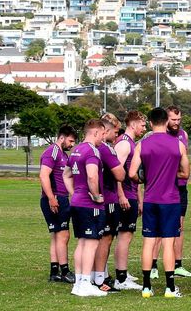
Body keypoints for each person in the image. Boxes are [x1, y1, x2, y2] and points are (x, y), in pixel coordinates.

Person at [128, 107, 190, 298]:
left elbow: (131, 174)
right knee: (168, 243)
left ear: (152, 123)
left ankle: (146, 287)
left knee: (148, 242)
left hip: (150, 200)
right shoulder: (178, 145)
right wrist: (172, 174)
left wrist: (143, 179)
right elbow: (186, 173)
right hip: (171, 201)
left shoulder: (141, 145)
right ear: (166, 122)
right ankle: (170, 288)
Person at [62, 119, 108, 297]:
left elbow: (66, 174)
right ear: (95, 132)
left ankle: (80, 283)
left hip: (77, 203)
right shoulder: (92, 152)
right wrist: (96, 196)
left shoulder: (76, 150)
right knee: (90, 243)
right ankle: (85, 283)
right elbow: (92, 177)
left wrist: (74, 193)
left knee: (82, 242)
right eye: (103, 134)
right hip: (90, 205)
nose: (103, 138)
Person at [112, 110, 147, 290]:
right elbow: (115, 171)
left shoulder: (132, 144)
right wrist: (121, 195)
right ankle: (121, 278)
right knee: (124, 237)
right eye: (142, 124)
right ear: (133, 124)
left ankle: (122, 274)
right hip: (125, 197)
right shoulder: (124, 144)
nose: (144, 128)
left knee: (127, 236)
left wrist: (139, 200)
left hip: (132, 196)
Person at [39, 125, 77, 284]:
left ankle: (54, 271)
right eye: (70, 140)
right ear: (62, 137)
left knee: (56, 235)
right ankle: (65, 271)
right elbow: (43, 175)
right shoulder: (52, 152)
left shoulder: (62, 154)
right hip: (55, 198)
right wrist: (51, 198)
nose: (72, 144)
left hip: (60, 198)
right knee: (63, 234)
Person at [92, 115, 126, 293]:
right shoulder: (106, 149)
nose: (117, 134)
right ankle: (99, 278)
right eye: (115, 130)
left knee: (98, 239)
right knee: (105, 239)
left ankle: (98, 275)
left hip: (97, 198)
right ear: (105, 131)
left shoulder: (91, 148)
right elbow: (120, 174)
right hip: (108, 199)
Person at [167, 106, 191, 278]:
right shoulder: (160, 136)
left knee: (179, 226)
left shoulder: (183, 135)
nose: (176, 123)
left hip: (181, 186)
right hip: (164, 185)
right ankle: (154, 266)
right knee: (159, 227)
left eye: (178, 119)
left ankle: (178, 264)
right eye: (173, 120)